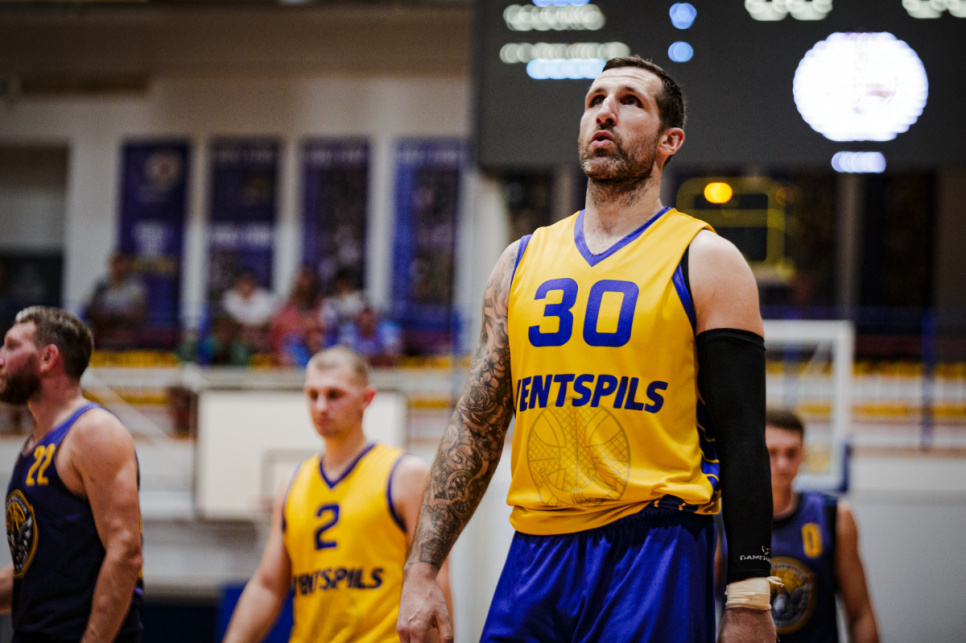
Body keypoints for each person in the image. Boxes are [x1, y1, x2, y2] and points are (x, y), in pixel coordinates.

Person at [398, 55, 775, 643]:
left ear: (669, 141)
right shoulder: (520, 260)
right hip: (536, 550)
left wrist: (749, 598)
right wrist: (422, 571)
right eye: (595, 100)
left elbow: (744, 436)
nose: (605, 112)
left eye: (630, 101)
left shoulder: (706, 259)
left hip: (654, 547)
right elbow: (476, 425)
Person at [222, 346, 451, 643]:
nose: (321, 406)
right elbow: (268, 586)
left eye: (334, 395)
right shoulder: (292, 483)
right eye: (312, 394)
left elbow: (436, 582)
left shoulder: (405, 474)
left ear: (366, 399)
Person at [0, 306, 143, 641]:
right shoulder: (33, 446)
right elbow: (30, 574)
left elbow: (125, 552)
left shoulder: (93, 430)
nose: (1, 356)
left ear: (48, 358)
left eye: (11, 345)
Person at [716, 408, 879, 642]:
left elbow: (860, 612)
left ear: (802, 454)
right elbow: (698, 605)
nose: (782, 463)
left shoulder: (833, 515)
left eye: (791, 453)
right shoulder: (723, 520)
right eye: (772, 452)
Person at [85, 251, 148, 349]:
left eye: (121, 263)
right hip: (105, 330)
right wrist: (107, 316)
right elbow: (89, 309)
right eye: (116, 263)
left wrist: (119, 316)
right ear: (111, 265)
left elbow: (140, 312)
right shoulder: (101, 286)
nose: (119, 267)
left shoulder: (135, 287)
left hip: (127, 332)